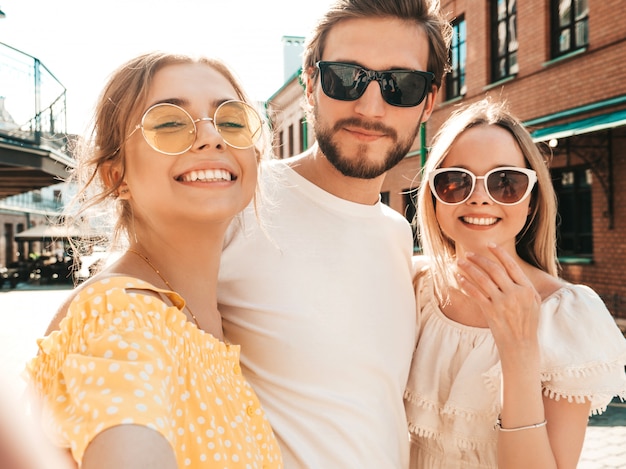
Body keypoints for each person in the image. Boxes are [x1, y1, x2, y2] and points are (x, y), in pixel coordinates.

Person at [216, 0, 452, 467]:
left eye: (400, 85)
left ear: (428, 102)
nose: (370, 106)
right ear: (310, 83)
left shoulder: (396, 234)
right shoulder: (238, 204)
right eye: (346, 77)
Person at [26, 51, 282, 468]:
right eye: (169, 124)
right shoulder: (121, 316)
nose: (211, 138)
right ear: (117, 177)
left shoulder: (203, 314)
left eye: (232, 121)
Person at [405, 98, 626, 468]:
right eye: (455, 181)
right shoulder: (411, 285)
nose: (478, 198)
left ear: (531, 201)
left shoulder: (566, 315)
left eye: (505, 182)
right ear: (434, 196)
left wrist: (519, 350)